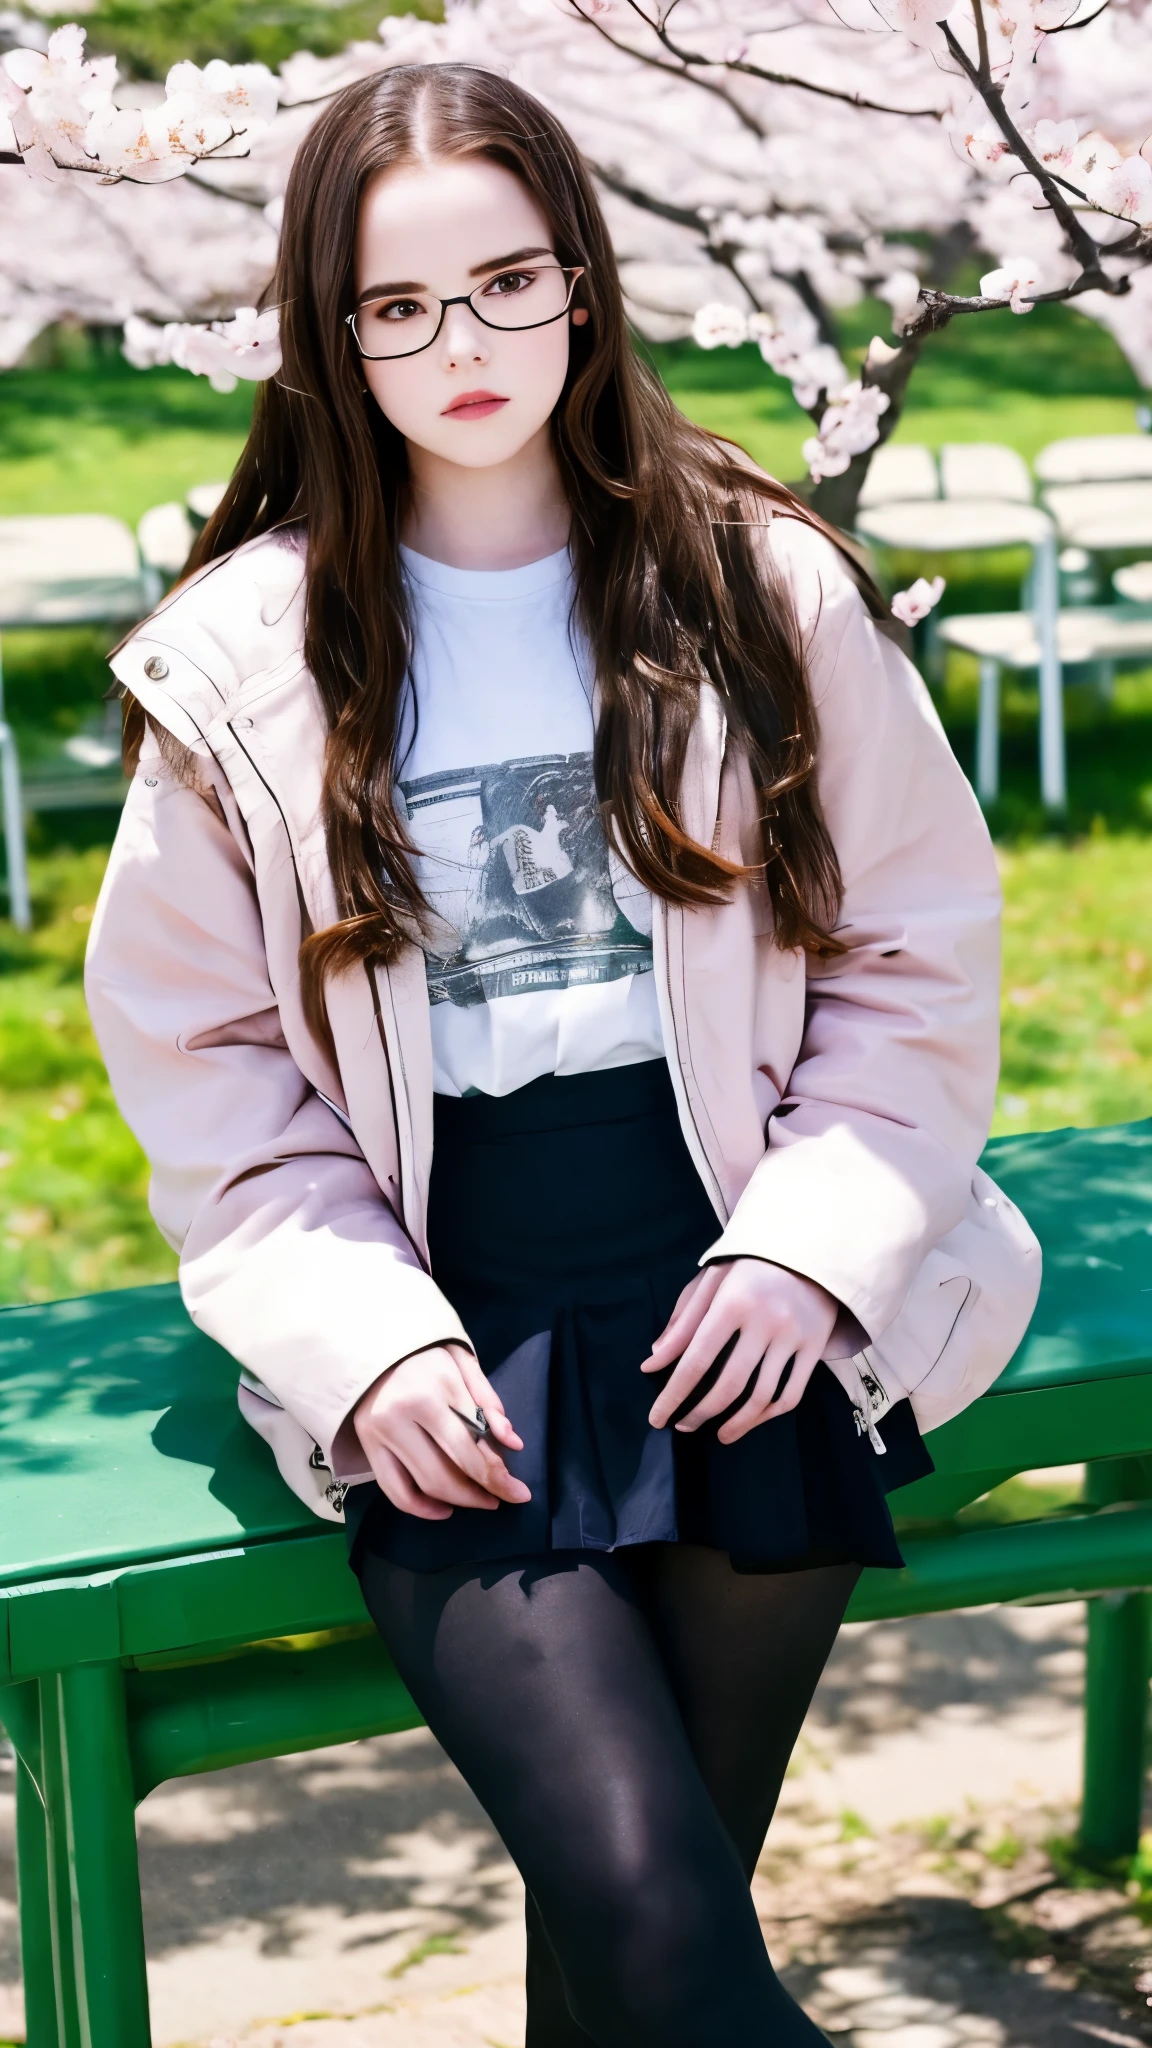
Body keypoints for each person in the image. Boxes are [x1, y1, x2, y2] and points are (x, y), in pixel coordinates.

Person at [86, 61, 1038, 2047]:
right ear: (332, 337)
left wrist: (809, 1248)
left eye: (509, 284)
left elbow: (914, 963)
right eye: (400, 305)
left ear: (586, 290)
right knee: (648, 1909)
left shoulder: (756, 588)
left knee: (641, 1939)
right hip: (449, 1310)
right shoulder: (247, 659)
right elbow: (213, 1076)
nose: (464, 345)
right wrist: (370, 1341)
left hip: (742, 1286)